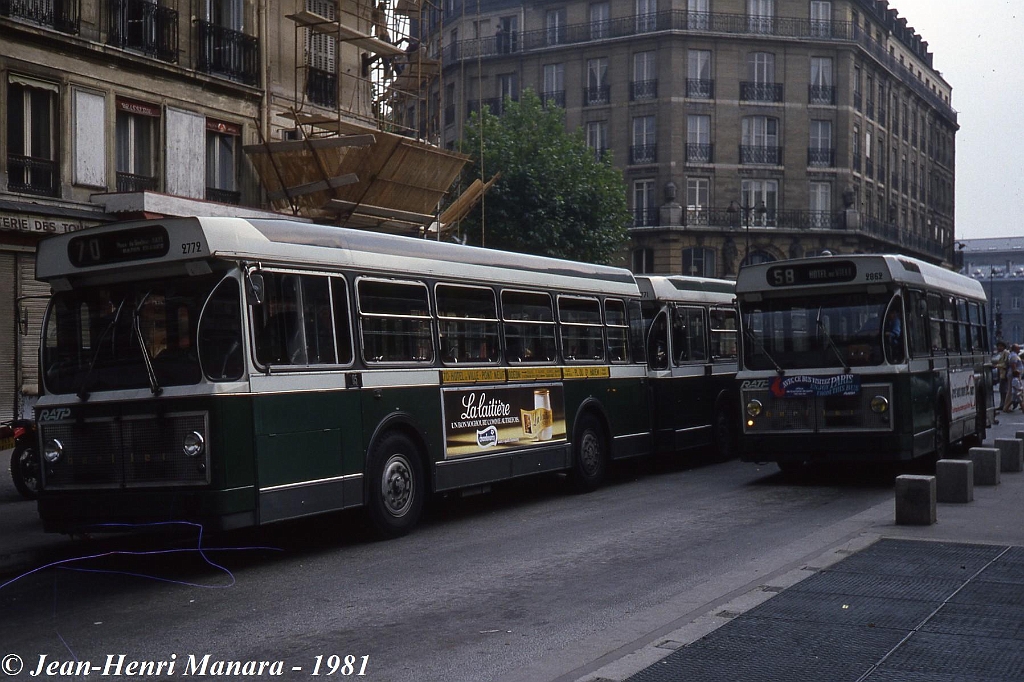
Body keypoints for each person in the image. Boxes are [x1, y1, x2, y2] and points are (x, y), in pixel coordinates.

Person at [1003, 343, 1023, 412]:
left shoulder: (1014, 355)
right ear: (1015, 349)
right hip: (1014, 375)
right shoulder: (1014, 355)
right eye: (1018, 348)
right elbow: (1013, 365)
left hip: (1015, 375)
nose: (1019, 349)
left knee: (1018, 391)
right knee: (1013, 391)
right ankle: (1007, 407)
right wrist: (1016, 373)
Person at [994, 340, 1009, 411]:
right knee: (1001, 390)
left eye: (1000, 346)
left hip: (1005, 374)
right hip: (1001, 374)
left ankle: (1005, 404)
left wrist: (996, 366)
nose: (998, 348)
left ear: (1003, 346)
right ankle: (1002, 404)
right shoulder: (1001, 353)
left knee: (1004, 390)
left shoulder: (1006, 353)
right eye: (998, 346)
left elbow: (1006, 364)